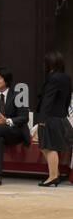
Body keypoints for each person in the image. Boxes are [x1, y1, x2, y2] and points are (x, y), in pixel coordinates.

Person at [34, 50, 71, 187]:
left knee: (48, 147)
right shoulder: (66, 77)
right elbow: (67, 98)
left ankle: (53, 176)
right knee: (50, 147)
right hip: (60, 116)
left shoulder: (53, 78)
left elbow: (47, 100)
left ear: (50, 63)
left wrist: (42, 119)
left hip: (50, 117)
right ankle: (54, 174)